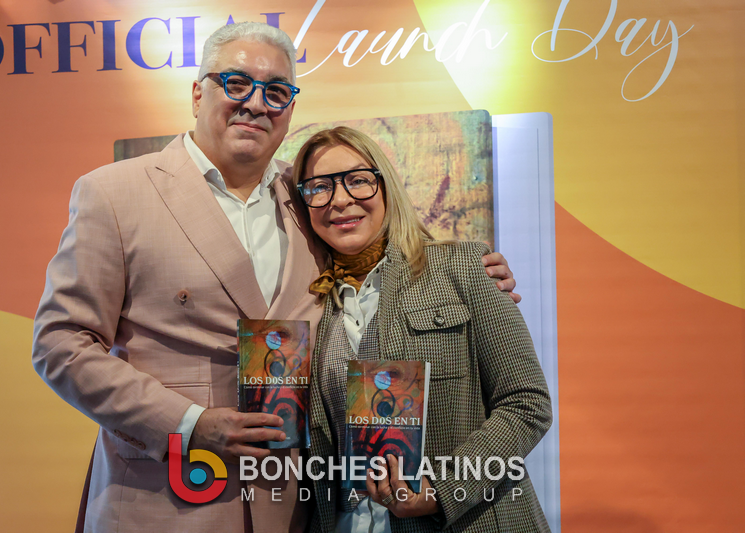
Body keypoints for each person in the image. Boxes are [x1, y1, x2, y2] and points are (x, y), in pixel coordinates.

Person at [32, 22, 519, 533]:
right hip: (164, 496)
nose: (256, 103)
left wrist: (474, 273)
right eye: (237, 83)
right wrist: (188, 424)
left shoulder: (311, 194)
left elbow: (392, 253)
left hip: (292, 503)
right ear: (197, 93)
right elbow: (61, 344)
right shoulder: (114, 192)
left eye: (276, 91)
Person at [292, 127, 552, 533]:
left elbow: (527, 403)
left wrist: (442, 490)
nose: (340, 200)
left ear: (386, 186)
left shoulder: (463, 267)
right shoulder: (311, 304)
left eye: (357, 180)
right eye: (320, 187)